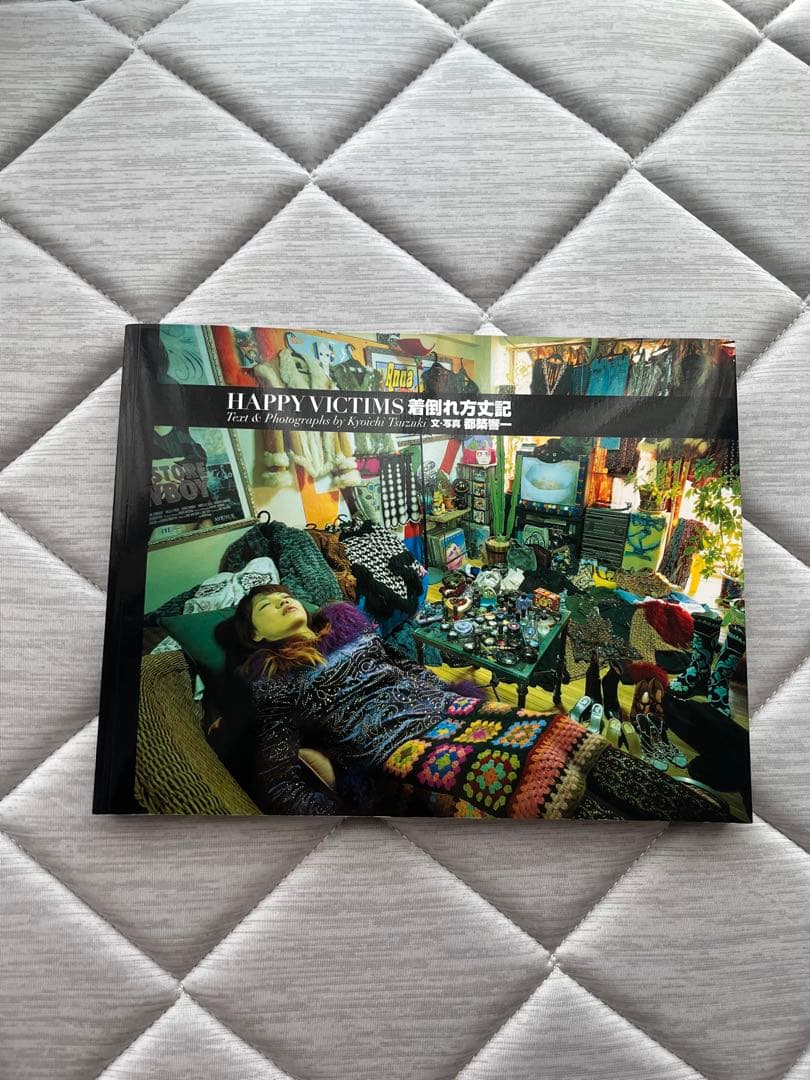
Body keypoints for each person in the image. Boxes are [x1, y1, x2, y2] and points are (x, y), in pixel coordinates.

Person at [231, 585, 732, 821]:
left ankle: (692, 811)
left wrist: (439, 686)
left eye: (284, 594)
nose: (283, 600)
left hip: (443, 710)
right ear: (255, 634)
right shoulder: (276, 681)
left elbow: (401, 667)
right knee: (537, 781)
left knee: (562, 732)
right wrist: (336, 819)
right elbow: (276, 773)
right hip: (397, 747)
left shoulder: (347, 627)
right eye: (266, 606)